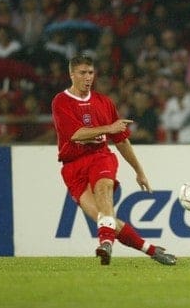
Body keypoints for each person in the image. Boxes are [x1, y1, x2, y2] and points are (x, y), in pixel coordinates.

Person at [51, 55, 176, 266]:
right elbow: (76, 134)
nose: (88, 77)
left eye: (91, 72)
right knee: (103, 218)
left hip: (100, 156)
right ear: (71, 74)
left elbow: (122, 142)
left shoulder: (104, 102)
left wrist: (139, 171)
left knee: (104, 190)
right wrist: (109, 128)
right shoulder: (61, 101)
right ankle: (152, 250)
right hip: (72, 166)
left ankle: (106, 244)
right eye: (82, 73)